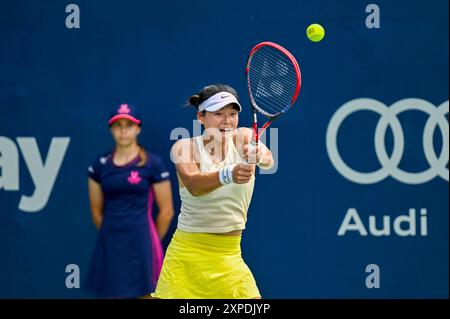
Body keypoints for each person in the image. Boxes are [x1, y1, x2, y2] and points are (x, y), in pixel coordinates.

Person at [152, 84, 274, 299]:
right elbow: (194, 185)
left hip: (229, 254)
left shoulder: (245, 137)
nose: (227, 121)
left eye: (232, 114)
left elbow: (267, 158)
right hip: (186, 256)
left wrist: (260, 157)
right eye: (218, 114)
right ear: (201, 117)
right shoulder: (184, 147)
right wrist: (229, 173)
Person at [85, 103, 174, 298]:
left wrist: (149, 241)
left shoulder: (152, 164)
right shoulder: (99, 166)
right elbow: (96, 213)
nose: (123, 130)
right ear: (111, 129)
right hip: (110, 242)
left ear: (138, 128)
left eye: (129, 125)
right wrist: (115, 235)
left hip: (142, 241)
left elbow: (167, 212)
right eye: (118, 125)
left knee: (146, 294)